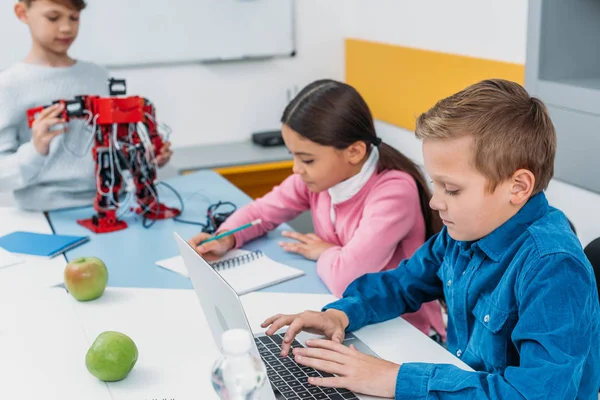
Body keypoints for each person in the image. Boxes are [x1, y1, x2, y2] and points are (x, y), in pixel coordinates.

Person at [261, 79, 600, 399]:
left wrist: (396, 379)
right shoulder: (464, 233)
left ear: (518, 187)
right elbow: (403, 282)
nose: (436, 202)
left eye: (451, 189)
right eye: (435, 184)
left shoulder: (554, 268)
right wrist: (341, 315)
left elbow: (534, 394)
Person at [189, 79, 446, 340]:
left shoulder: (394, 191)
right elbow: (263, 212)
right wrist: (227, 236)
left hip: (403, 330)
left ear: (354, 152)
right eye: (293, 155)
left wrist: (325, 252)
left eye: (307, 159)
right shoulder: (320, 179)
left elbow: (347, 278)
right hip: (348, 314)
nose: (296, 168)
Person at [0, 0, 172, 211]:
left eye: (74, 18)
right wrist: (36, 150)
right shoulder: (9, 86)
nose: (66, 28)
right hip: (43, 212)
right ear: (22, 13)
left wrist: (144, 160)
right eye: (53, 17)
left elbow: (114, 147)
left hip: (111, 204)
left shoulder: (98, 77)